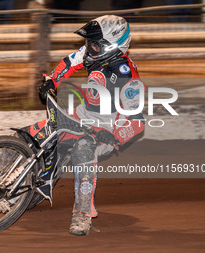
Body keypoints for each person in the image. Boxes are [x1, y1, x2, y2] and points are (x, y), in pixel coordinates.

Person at [35, 15, 145, 235]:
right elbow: (69, 62)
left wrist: (115, 137)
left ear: (112, 46)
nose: (89, 48)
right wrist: (51, 81)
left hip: (108, 129)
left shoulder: (128, 78)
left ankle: (83, 215)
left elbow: (138, 123)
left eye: (95, 44)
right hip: (82, 115)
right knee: (38, 132)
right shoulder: (93, 53)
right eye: (89, 43)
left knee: (84, 149)